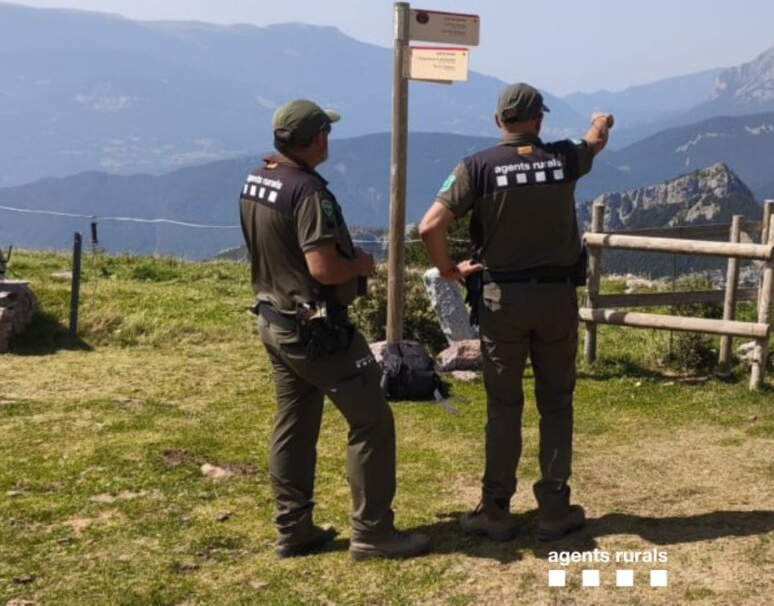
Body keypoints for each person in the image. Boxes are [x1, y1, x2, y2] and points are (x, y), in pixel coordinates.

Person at [418, 83, 612, 542]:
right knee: (556, 403)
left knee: (504, 406)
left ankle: (496, 510)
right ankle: (554, 508)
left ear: (497, 120)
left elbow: (429, 226)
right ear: (539, 121)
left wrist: (449, 270)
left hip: (500, 300)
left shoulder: (476, 168)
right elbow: (595, 140)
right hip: (556, 298)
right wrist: (600, 120)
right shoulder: (564, 158)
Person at [239, 98, 430, 561]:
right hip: (316, 330)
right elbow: (323, 268)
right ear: (318, 137)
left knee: (294, 423)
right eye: (327, 131)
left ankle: (293, 528)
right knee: (372, 420)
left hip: (273, 319)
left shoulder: (258, 180)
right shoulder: (308, 192)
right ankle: (373, 532)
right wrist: (360, 264)